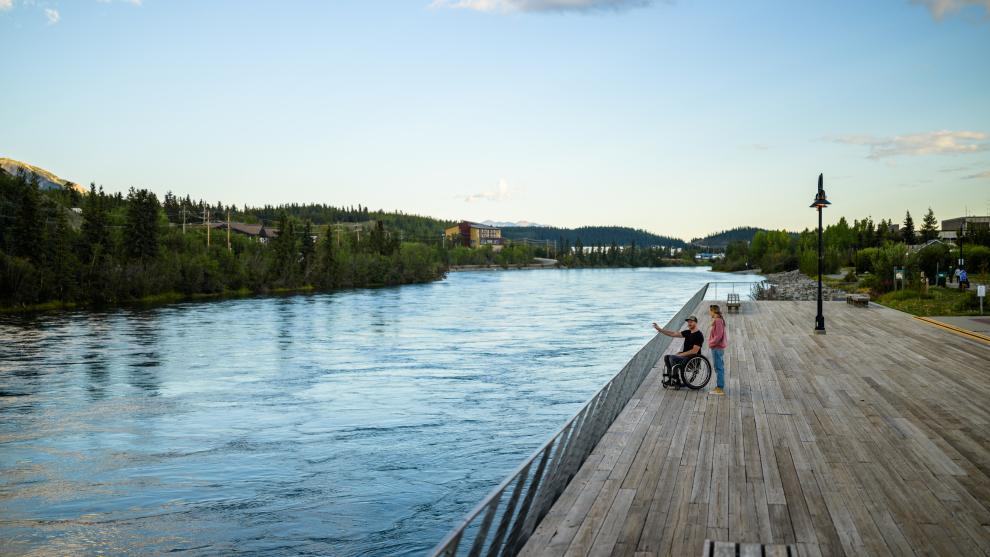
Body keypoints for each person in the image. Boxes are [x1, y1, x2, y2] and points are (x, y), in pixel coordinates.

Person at [652, 316, 704, 386]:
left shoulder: (699, 335)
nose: (689, 323)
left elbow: (694, 351)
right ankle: (671, 378)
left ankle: (676, 379)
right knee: (667, 357)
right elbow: (673, 334)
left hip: (692, 359)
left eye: (691, 322)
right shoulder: (688, 332)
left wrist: (681, 354)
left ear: (696, 323)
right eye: (688, 322)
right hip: (685, 357)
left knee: (673, 358)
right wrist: (660, 329)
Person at [708, 304, 727, 396]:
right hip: (717, 347)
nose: (709, 312)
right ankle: (719, 386)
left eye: (710, 311)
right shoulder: (718, 320)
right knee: (719, 367)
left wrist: (711, 343)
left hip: (717, 347)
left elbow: (718, 336)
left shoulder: (718, 321)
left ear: (713, 311)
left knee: (718, 367)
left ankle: (720, 388)